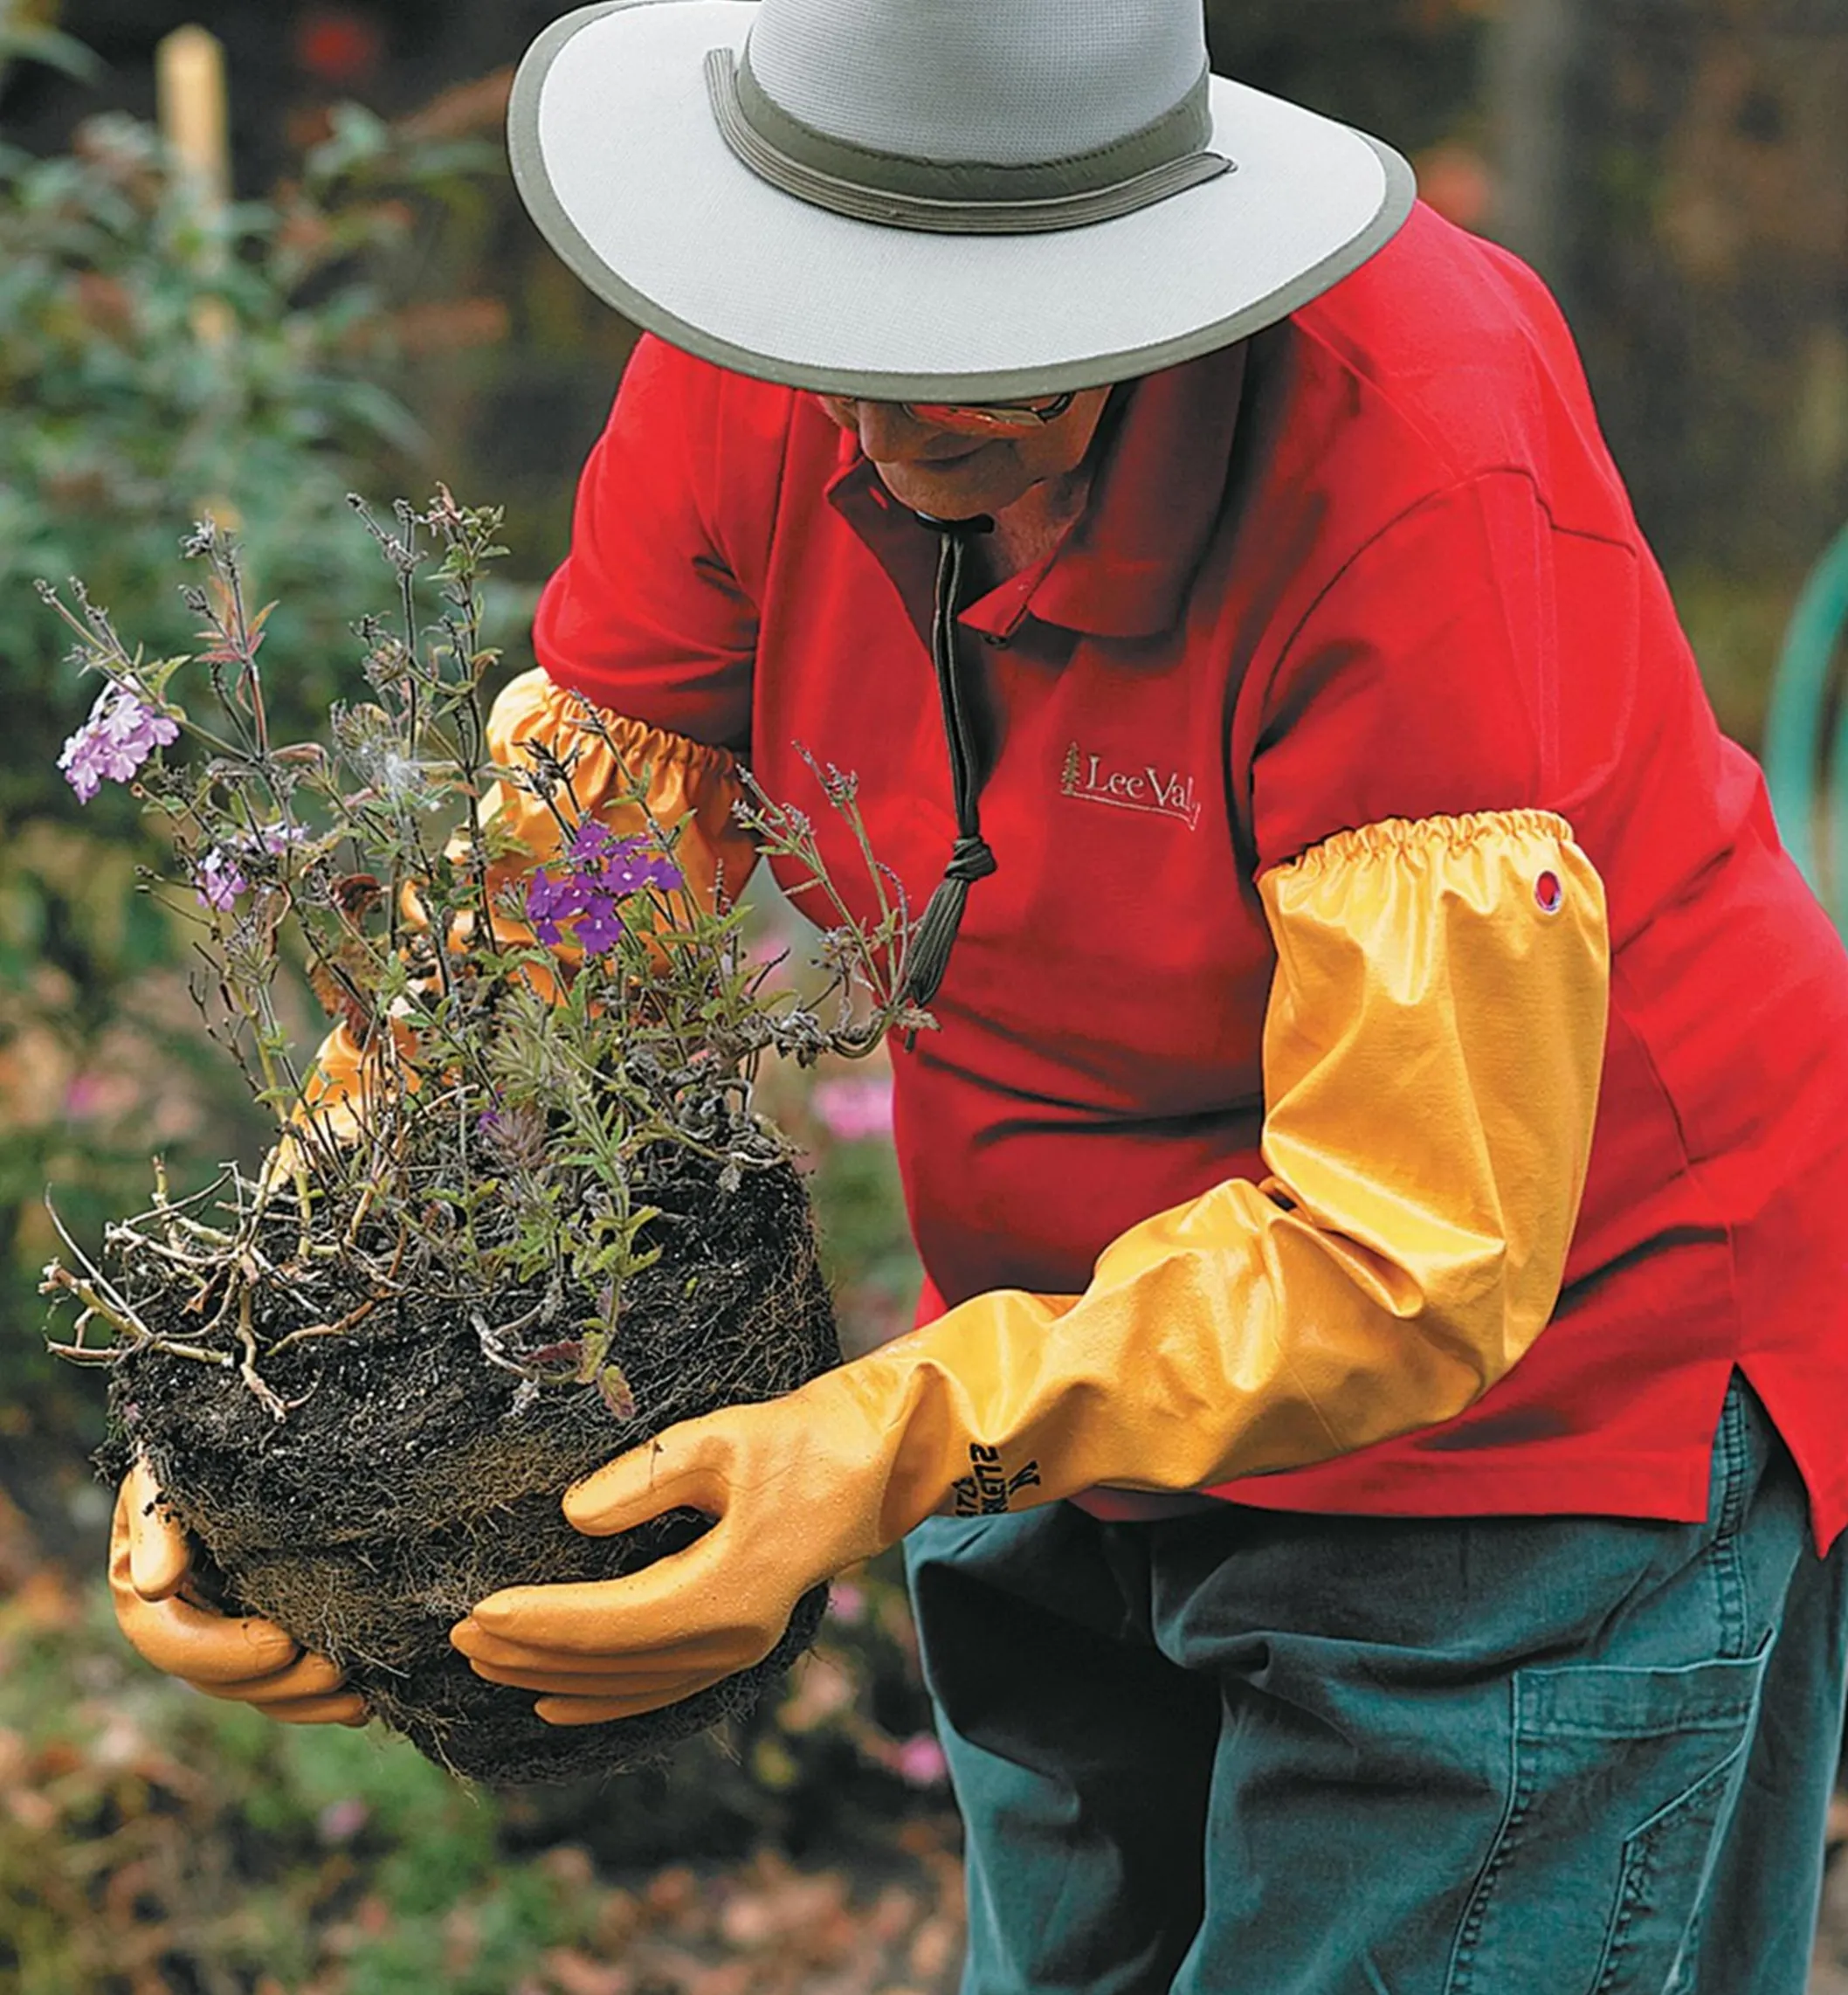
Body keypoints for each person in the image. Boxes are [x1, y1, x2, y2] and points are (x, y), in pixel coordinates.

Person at [109, 1, 1848, 1988]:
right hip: (1053, 1369)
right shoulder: (760, 341)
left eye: (986, 372)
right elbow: (546, 943)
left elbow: (1412, 1236)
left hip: (1541, 1393)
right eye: (845, 349)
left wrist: (886, 1438)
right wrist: (268, 1368)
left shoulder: (1410, 453)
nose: (882, 429)